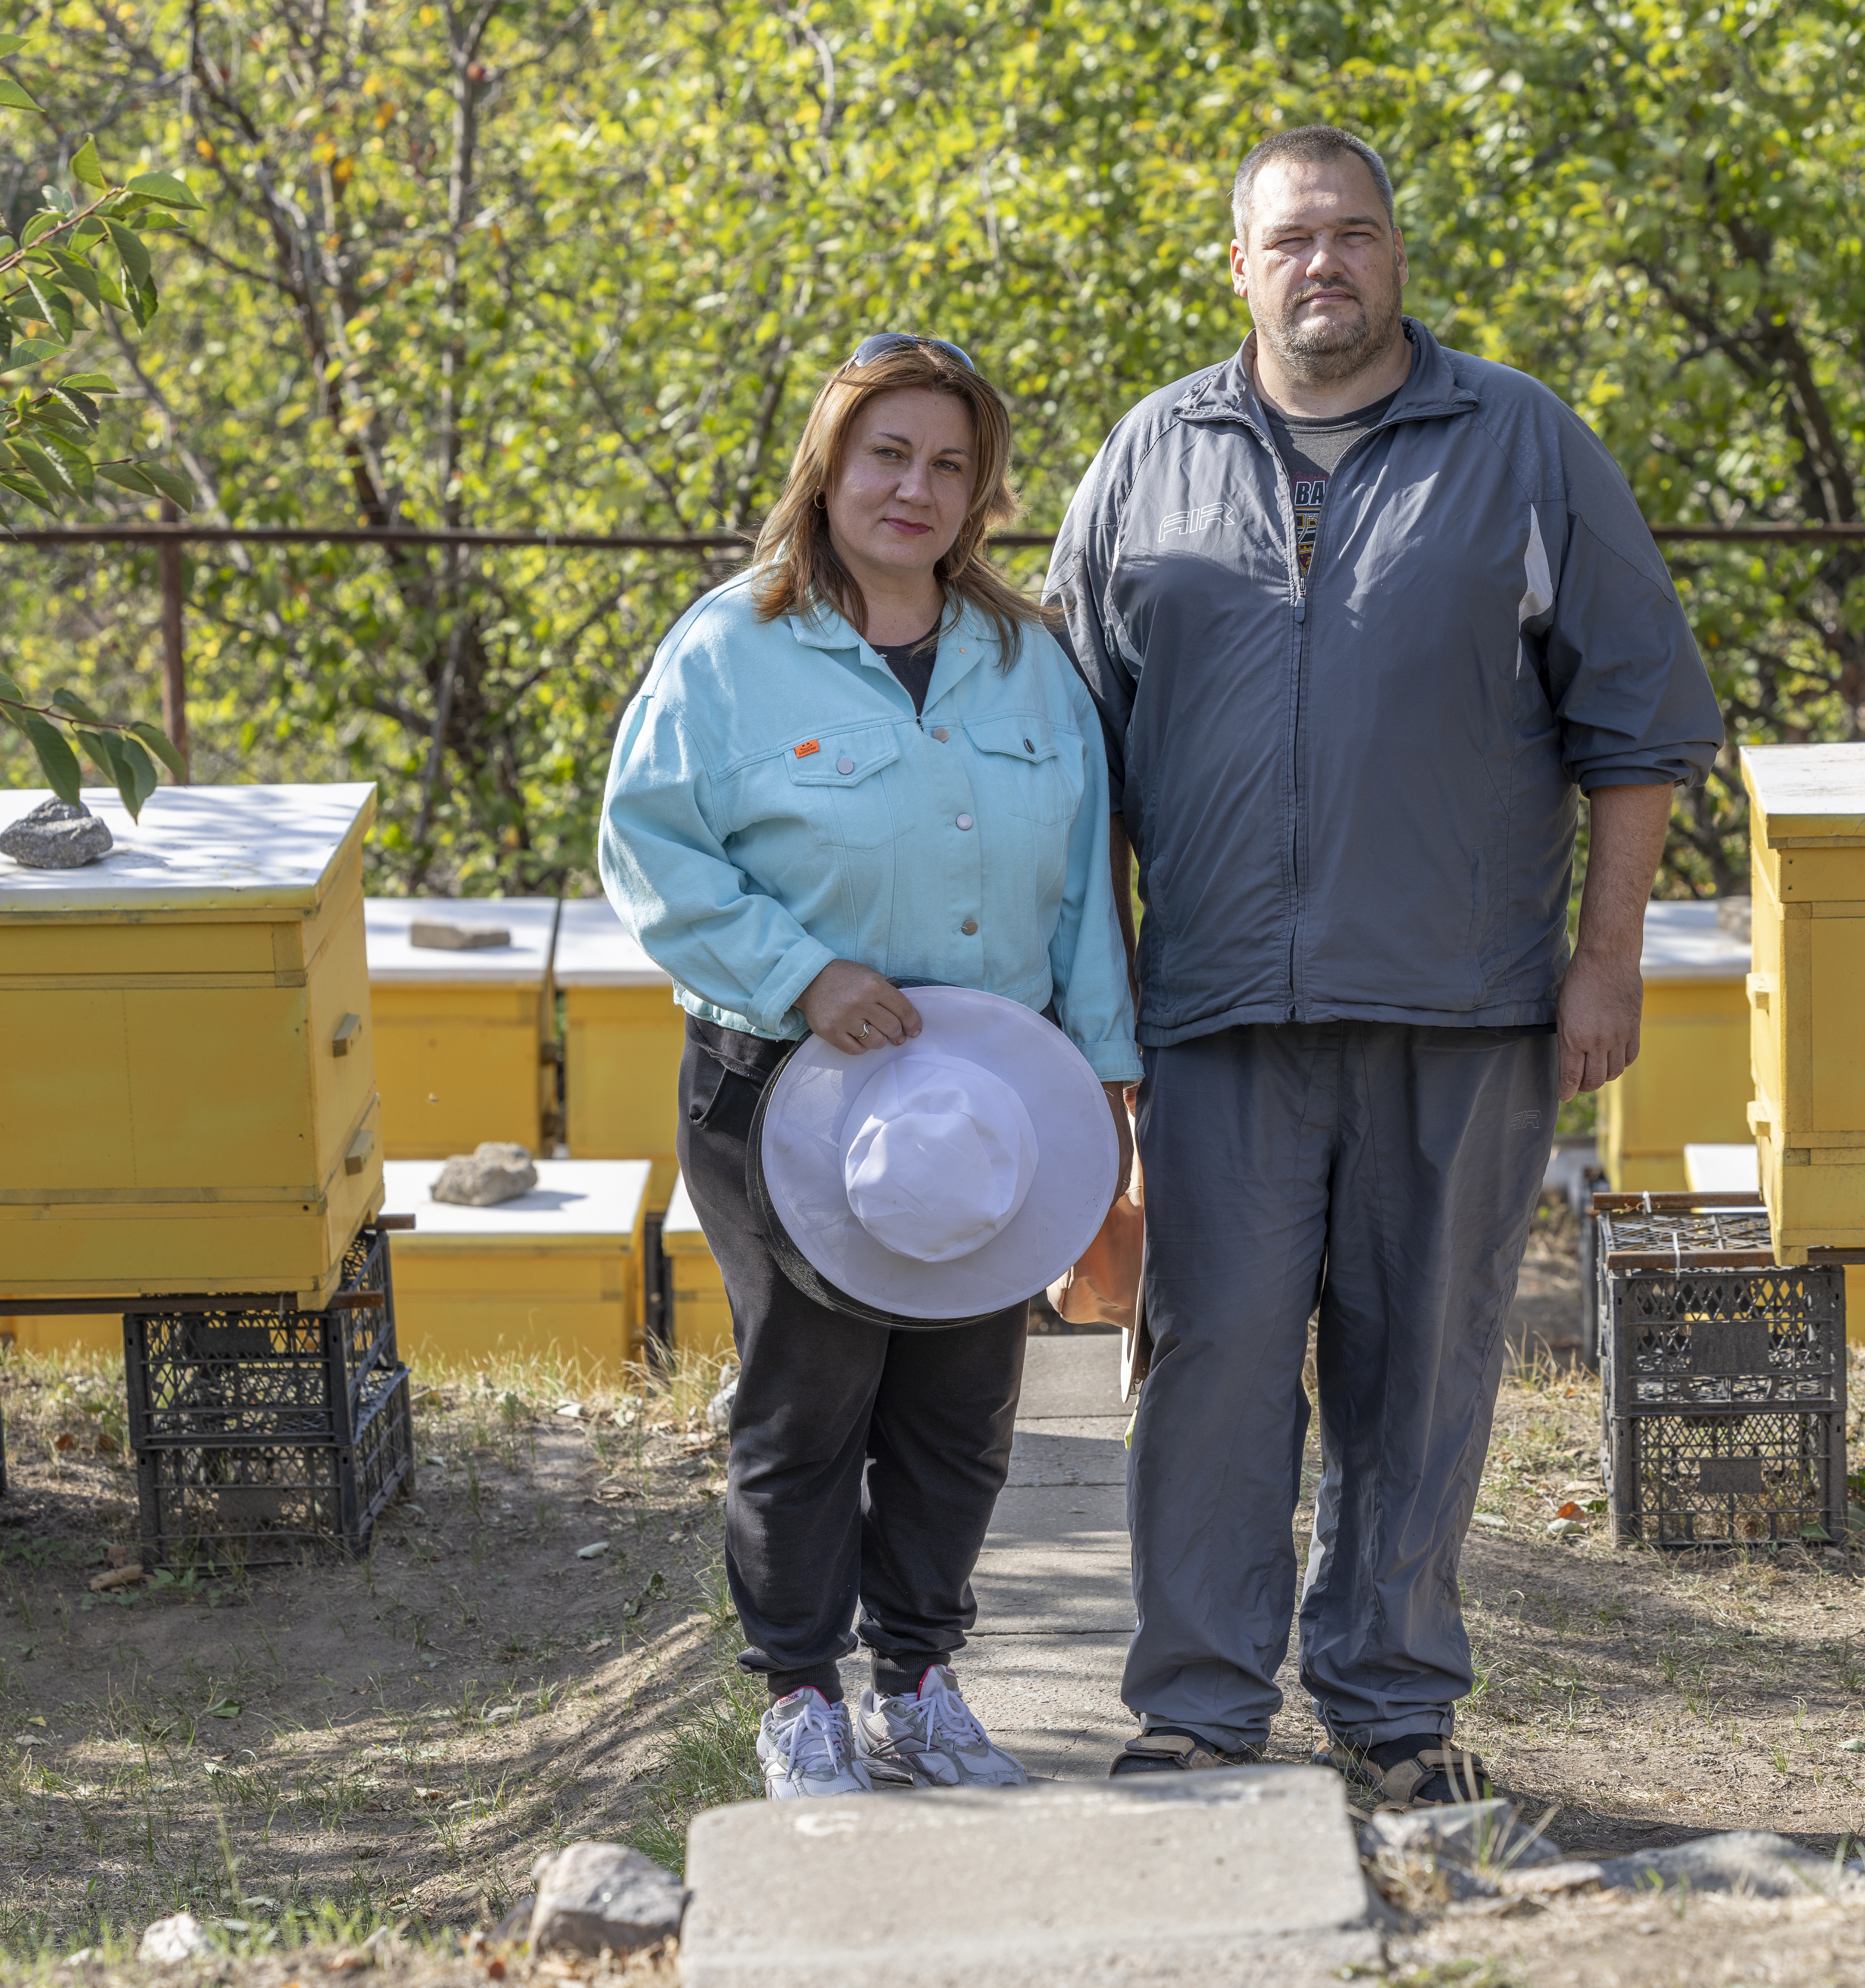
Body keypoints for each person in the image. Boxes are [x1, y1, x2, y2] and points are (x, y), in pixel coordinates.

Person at [1046, 127, 1725, 1807]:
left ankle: (1391, 1705)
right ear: (1239, 268)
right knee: (1207, 1359)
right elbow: (1063, 756)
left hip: (1464, 1007)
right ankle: (1199, 1703)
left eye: (1352, 235)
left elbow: (1633, 724)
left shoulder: (1520, 445)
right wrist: (1083, 1015)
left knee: (1419, 1361)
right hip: (1213, 1016)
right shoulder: (1149, 455)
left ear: (1397, 256)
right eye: (1289, 241)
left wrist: (1606, 963)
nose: (1322, 266)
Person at [602, 334, 1142, 1800]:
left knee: (961, 1415)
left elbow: (1088, 885)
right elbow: (647, 851)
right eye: (887, 454)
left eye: (949, 464)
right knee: (808, 1401)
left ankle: (919, 1677)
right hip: (784, 1093)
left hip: (988, 1109)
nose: (915, 487)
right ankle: (797, 1694)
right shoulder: (729, 647)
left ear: (981, 493)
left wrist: (1102, 1080)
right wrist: (805, 974)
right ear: (828, 467)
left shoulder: (1029, 660)